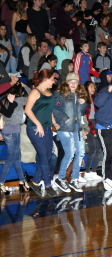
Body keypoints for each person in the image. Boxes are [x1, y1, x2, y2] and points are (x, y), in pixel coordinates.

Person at [24, 69, 58, 197]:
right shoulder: (35, 91)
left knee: (48, 156)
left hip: (47, 128)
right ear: (46, 79)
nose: (54, 82)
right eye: (52, 79)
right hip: (35, 128)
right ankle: (48, 185)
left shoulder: (48, 92)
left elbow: (49, 110)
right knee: (44, 156)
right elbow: (27, 110)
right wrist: (38, 124)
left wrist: (54, 122)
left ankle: (35, 181)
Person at [52, 73, 87, 193]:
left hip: (76, 127)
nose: (73, 84)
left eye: (75, 82)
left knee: (80, 152)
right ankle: (60, 178)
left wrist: (83, 104)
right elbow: (54, 108)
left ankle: (74, 179)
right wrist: (64, 117)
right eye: (71, 82)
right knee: (70, 153)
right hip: (65, 128)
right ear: (67, 83)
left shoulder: (78, 95)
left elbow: (82, 112)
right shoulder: (59, 94)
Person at [0, 83, 31, 194]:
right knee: (11, 159)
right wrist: (25, 85)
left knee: (17, 157)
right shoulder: (21, 100)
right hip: (12, 132)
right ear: (21, 92)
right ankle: (1, 182)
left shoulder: (5, 101)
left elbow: (2, 116)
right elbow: (33, 95)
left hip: (9, 132)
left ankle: (22, 181)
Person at [83, 81, 103, 180]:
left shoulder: (95, 99)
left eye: (94, 87)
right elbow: (85, 118)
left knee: (98, 150)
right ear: (86, 88)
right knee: (93, 150)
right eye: (91, 87)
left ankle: (94, 171)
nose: (93, 89)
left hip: (96, 123)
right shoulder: (84, 100)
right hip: (89, 125)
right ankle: (87, 172)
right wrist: (93, 131)